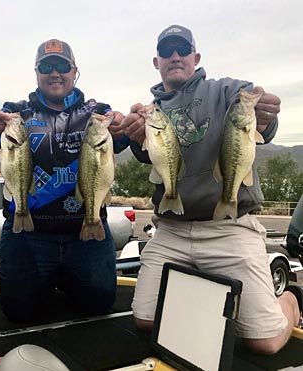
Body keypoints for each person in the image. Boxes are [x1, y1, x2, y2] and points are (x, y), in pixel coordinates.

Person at [121, 24, 302, 355]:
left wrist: (265, 116)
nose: (175, 56)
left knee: (265, 342)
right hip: (171, 230)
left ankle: (290, 299)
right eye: (167, 51)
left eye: (182, 50)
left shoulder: (227, 90)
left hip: (229, 227)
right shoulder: (152, 111)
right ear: (156, 61)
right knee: (146, 319)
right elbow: (152, 156)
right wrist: (135, 136)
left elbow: (260, 122)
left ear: (196, 57)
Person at [0, 39, 129, 322]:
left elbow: (124, 137)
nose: (55, 73)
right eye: (47, 66)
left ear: (74, 70)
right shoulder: (16, 112)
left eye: (62, 66)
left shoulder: (96, 113)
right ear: (37, 72)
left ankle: (64, 280)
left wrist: (125, 123)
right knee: (19, 312)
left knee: (98, 304)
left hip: (86, 234)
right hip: (29, 234)